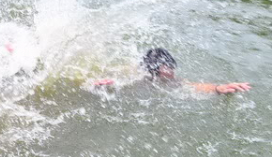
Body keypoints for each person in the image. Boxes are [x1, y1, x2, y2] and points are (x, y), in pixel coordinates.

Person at [94, 48, 251, 94]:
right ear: (154, 70)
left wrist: (218, 88)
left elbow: (193, 86)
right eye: (167, 69)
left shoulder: (170, 80)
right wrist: (97, 85)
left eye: (171, 67)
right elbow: (113, 80)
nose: (172, 72)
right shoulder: (134, 76)